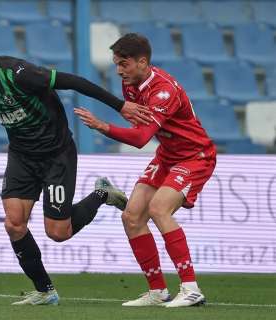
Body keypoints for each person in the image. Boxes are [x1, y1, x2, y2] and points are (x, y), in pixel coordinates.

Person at [0, 30, 151, 305]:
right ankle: (45, 290)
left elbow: (74, 81)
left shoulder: (20, 74)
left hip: (56, 154)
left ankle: (102, 194)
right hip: (21, 156)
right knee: (14, 224)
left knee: (58, 233)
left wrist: (120, 106)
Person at [74, 33, 216, 308]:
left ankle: (191, 288)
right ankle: (157, 291)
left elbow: (140, 139)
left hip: (194, 156)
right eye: (116, 64)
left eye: (124, 64)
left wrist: (103, 126)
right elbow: (141, 128)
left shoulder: (164, 90)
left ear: (142, 62)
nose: (118, 70)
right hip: (167, 155)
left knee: (159, 208)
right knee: (131, 216)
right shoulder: (131, 85)